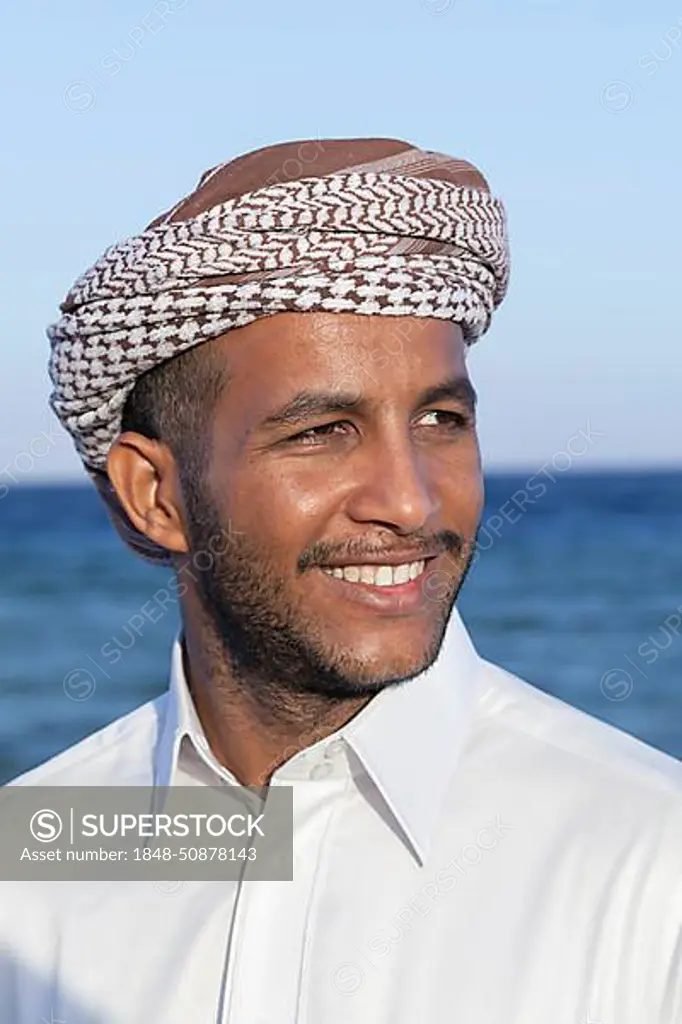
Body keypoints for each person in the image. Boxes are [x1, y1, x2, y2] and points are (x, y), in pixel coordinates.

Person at [2, 137, 681, 1023]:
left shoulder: (650, 859)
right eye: (322, 431)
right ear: (156, 495)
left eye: (441, 419)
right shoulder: (35, 860)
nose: (410, 500)